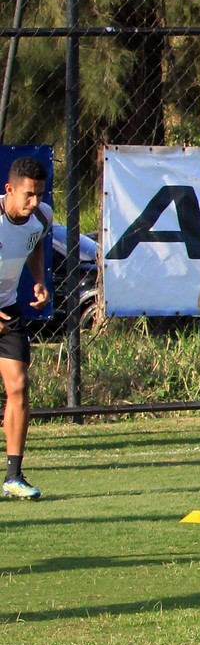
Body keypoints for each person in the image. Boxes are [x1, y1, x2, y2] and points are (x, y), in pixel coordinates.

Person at [0, 157, 53, 499]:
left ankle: (13, 477)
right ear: (9, 190)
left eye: (39, 195)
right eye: (28, 195)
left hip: (7, 312)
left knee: (19, 386)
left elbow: (33, 244)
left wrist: (38, 280)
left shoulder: (41, 216)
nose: (34, 203)